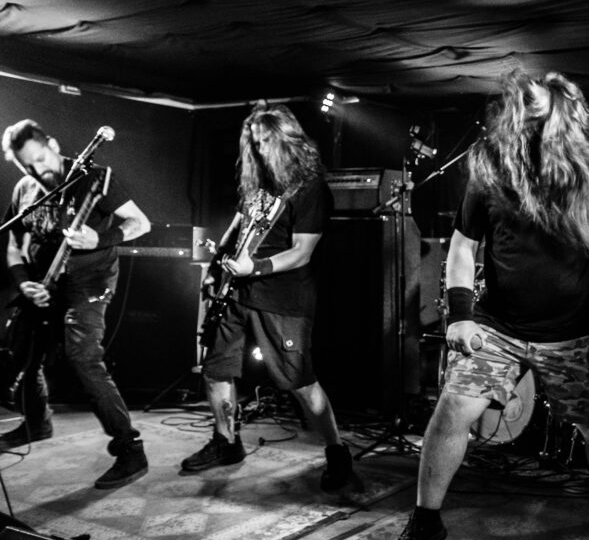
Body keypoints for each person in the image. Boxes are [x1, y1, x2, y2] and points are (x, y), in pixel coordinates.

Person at [389, 70, 589, 540]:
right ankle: (425, 519)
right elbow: (463, 245)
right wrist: (460, 315)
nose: (527, 118)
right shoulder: (495, 169)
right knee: (452, 411)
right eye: (523, 110)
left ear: (564, 115)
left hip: (573, 331)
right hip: (498, 327)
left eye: (538, 109)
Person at [179, 104, 357, 492]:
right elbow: (238, 228)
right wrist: (216, 270)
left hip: (283, 300)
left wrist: (255, 268)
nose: (259, 150)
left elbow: (302, 252)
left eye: (265, 141)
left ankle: (337, 452)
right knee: (216, 369)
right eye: (254, 142)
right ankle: (226, 441)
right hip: (236, 294)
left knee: (299, 382)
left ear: (287, 140)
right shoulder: (257, 183)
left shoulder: (309, 188)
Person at [1, 119, 151, 489]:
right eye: (28, 166)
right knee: (23, 348)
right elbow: (15, 246)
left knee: (82, 356)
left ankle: (130, 448)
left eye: (41, 159)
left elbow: (140, 223)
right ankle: (37, 423)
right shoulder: (24, 190)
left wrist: (100, 238)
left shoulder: (92, 178)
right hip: (44, 283)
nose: (39, 171)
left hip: (90, 282)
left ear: (52, 144)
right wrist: (24, 282)